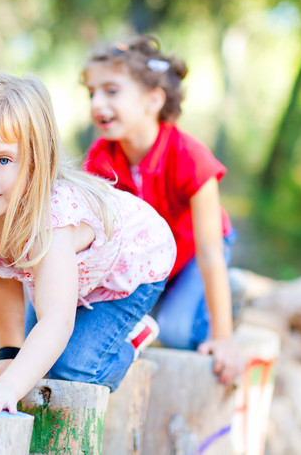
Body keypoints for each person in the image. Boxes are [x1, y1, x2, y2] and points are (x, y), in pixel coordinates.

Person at [0, 72, 176, 414]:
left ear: (36, 161)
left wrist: (8, 388)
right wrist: (9, 355)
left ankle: (134, 336)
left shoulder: (52, 221)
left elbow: (56, 320)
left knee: (73, 372)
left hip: (134, 264)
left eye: (3, 160)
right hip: (73, 272)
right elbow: (0, 278)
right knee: (34, 364)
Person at [81, 35, 241, 385]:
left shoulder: (190, 158)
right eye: (91, 92)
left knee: (177, 331)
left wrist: (224, 339)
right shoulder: (100, 158)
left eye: (110, 91)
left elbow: (210, 252)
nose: (96, 103)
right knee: (126, 327)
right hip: (148, 263)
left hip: (197, 255)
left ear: (154, 99)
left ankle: (229, 295)